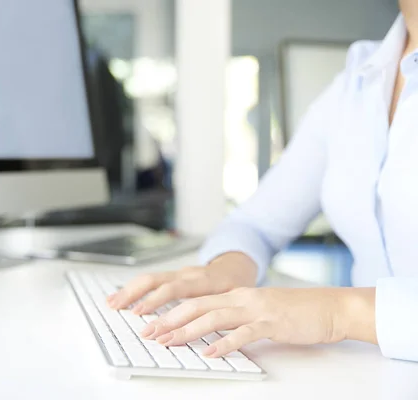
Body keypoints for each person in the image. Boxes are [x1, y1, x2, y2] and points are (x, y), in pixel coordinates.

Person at [107, 2, 418, 363]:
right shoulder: (359, 80)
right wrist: (226, 270)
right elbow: (254, 224)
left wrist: (339, 312)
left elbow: (342, 312)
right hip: (367, 372)